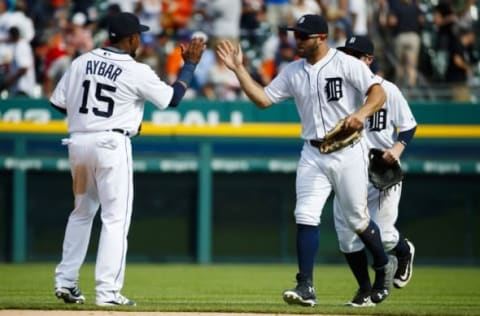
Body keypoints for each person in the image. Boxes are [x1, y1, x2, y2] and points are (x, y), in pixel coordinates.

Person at [215, 14, 397, 307]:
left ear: (321, 38)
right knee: (305, 214)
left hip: (349, 150)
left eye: (302, 36)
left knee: (357, 220)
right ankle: (305, 286)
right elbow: (263, 100)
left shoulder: (346, 63)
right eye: (294, 34)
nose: (295, 40)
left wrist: (361, 115)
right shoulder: (292, 71)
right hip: (313, 152)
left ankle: (382, 262)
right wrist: (238, 70)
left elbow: (378, 93)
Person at [51, 12, 205, 306]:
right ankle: (107, 292)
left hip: (79, 143)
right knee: (115, 219)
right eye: (139, 35)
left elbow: (58, 103)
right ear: (132, 38)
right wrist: (190, 66)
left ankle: (66, 282)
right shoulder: (135, 69)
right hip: (111, 144)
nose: (141, 39)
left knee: (81, 214)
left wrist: (99, 119)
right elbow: (172, 99)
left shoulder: (80, 62)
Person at [335, 35, 417, 307]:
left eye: (355, 54)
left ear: (368, 60)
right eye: (345, 54)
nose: (348, 59)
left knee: (381, 232)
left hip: (380, 168)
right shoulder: (339, 91)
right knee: (347, 237)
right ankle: (364, 290)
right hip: (348, 169)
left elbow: (408, 126)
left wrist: (396, 150)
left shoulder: (388, 90)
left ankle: (403, 250)